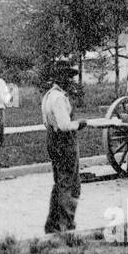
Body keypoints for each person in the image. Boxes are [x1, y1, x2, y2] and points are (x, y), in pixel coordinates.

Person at [41, 60, 87, 234]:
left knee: (59, 182)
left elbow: (47, 121)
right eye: (68, 77)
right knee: (70, 182)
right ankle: (65, 224)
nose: (70, 80)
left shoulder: (48, 95)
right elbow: (65, 125)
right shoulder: (59, 98)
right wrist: (80, 124)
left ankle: (52, 224)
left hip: (52, 139)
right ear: (61, 78)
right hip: (64, 140)